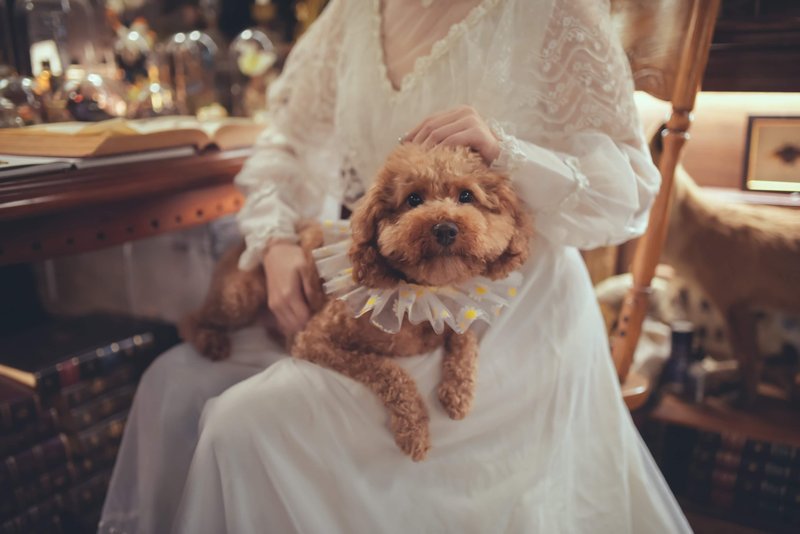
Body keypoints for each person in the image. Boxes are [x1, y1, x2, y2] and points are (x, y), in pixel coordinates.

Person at [101, 0, 692, 532]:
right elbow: (289, 145)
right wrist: (277, 242)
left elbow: (629, 196)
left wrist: (508, 152)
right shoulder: (350, 15)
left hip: (509, 313)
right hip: (376, 286)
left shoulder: (555, 10)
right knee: (172, 383)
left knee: (243, 424)